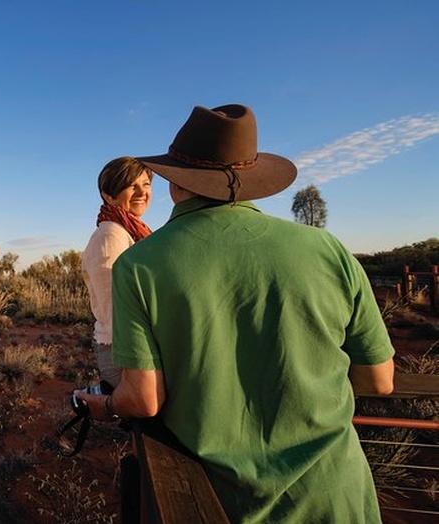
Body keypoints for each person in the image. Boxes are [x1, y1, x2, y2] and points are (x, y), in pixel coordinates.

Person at [76, 104, 395, 523]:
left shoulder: (142, 264)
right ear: (251, 178)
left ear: (175, 183)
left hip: (214, 501)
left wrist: (106, 407)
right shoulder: (328, 250)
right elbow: (379, 379)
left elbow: (144, 397)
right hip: (337, 499)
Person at [81, 156, 152, 390]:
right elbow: (113, 307)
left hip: (134, 345)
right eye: (132, 186)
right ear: (108, 194)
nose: (142, 192)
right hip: (124, 350)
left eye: (146, 184)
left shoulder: (130, 231)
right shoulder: (110, 236)